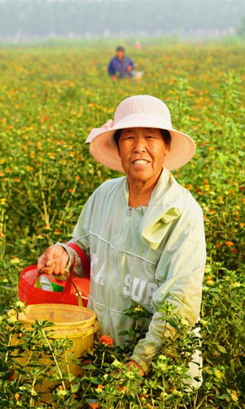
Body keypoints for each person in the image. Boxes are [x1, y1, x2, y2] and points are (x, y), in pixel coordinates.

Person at [36, 95, 205, 387]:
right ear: (117, 147)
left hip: (162, 373)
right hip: (105, 355)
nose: (139, 147)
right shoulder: (104, 195)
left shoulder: (182, 212)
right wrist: (65, 255)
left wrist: (139, 363)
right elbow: (86, 248)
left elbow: (180, 305)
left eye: (150, 137)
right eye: (129, 138)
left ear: (166, 146)